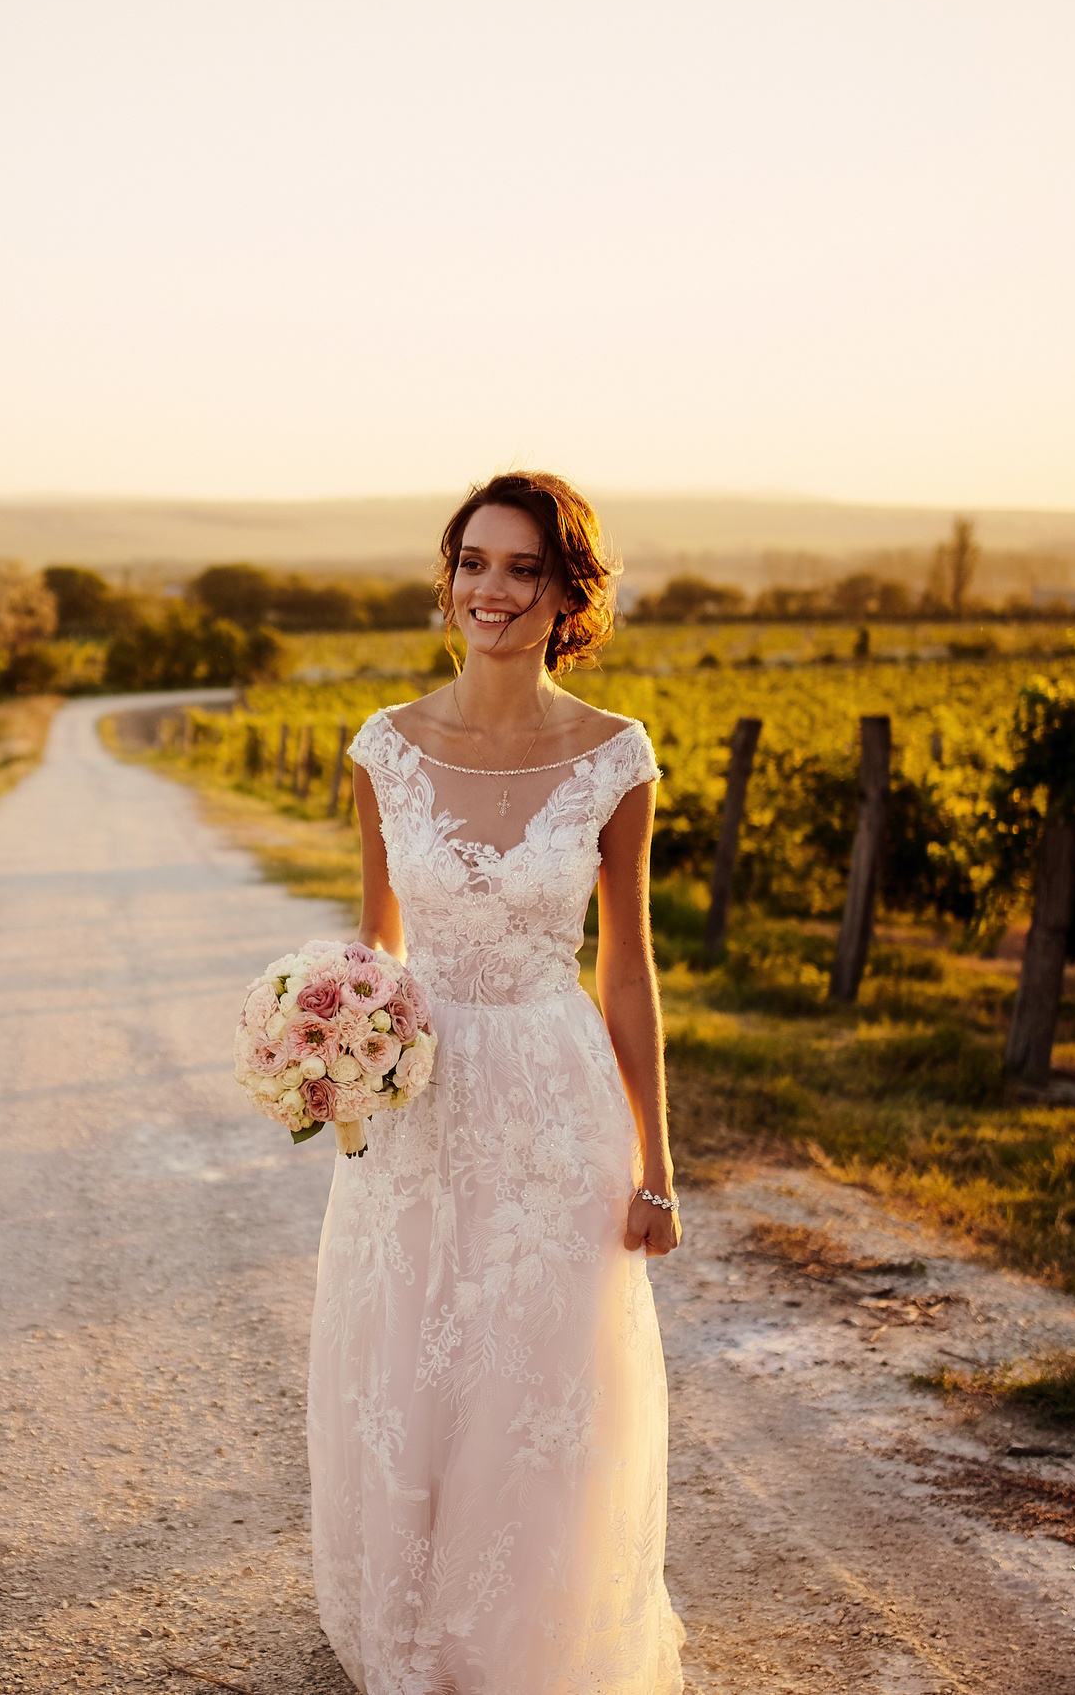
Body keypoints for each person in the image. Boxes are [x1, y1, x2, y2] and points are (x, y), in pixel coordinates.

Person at [311, 471, 686, 1694]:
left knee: (538, 1375)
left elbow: (626, 970)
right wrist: (334, 1049)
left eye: (523, 568)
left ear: (566, 592)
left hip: (553, 1093)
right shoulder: (384, 745)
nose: (493, 589)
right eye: (474, 561)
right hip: (422, 1097)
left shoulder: (614, 757)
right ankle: (417, 1637)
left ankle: (527, 1646)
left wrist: (656, 1166)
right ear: (449, 577)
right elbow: (379, 947)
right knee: (416, 1360)